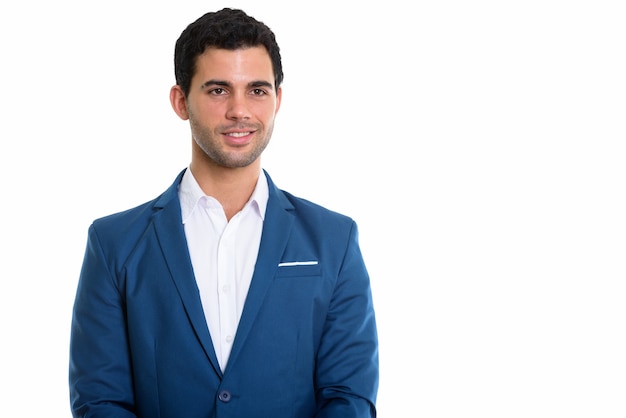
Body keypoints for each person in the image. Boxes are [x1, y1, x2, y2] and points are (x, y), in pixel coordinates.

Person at [69, 7, 378, 418]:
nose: (239, 111)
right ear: (181, 101)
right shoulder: (113, 244)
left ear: (278, 99)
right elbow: (100, 400)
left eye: (257, 90)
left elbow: (349, 397)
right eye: (218, 90)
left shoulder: (334, 239)